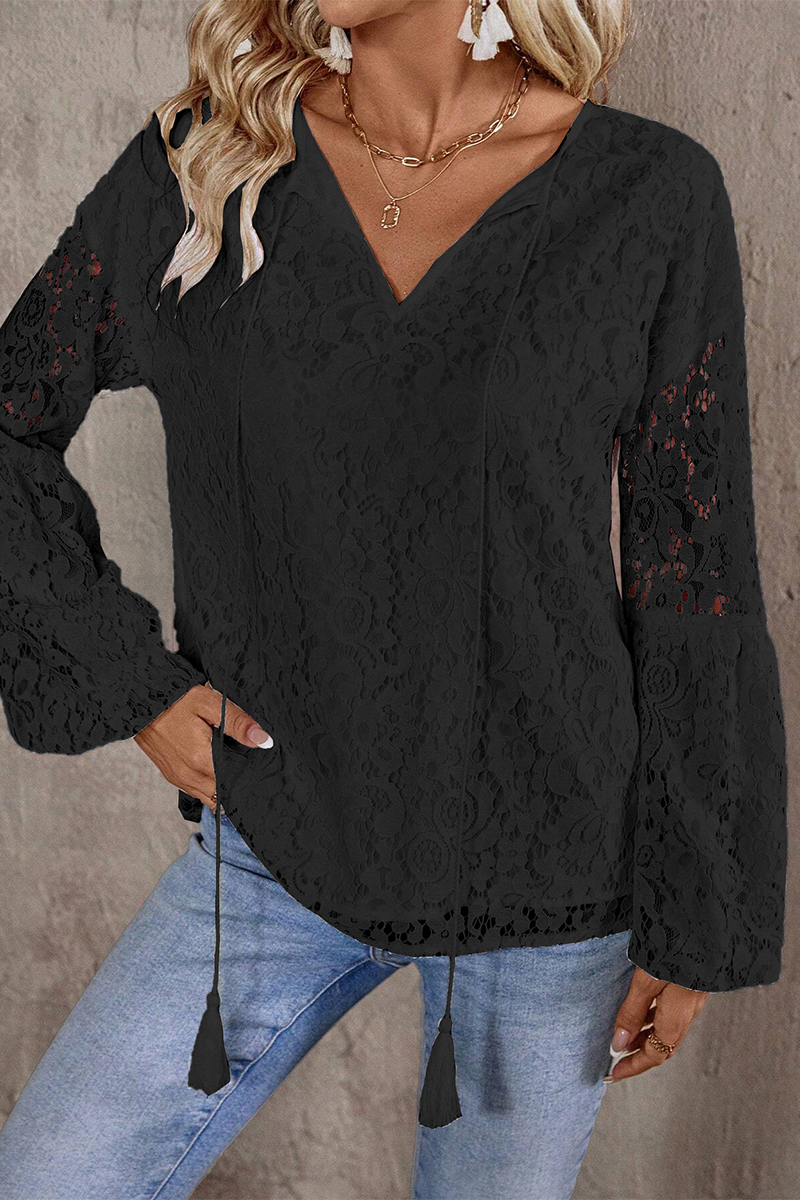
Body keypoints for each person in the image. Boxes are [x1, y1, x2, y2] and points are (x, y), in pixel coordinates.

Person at [0, 1, 788, 1197]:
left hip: (549, 876)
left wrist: (699, 914)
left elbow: (693, 571)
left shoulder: (645, 194)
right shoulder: (208, 167)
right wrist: (134, 688)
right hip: (274, 841)